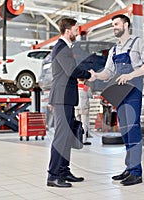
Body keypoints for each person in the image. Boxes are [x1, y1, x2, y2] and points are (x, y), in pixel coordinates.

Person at [89, 14, 144, 186]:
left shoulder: (139, 43)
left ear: (126, 24)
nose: (114, 27)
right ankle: (129, 168)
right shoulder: (114, 49)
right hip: (120, 94)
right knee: (125, 132)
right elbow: (108, 73)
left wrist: (130, 75)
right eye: (113, 25)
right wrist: (96, 75)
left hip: (133, 91)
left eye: (116, 24)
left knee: (133, 130)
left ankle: (136, 172)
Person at [47, 17, 92, 188]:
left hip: (66, 98)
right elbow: (71, 70)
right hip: (61, 98)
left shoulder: (64, 47)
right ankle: (53, 175)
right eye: (75, 29)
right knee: (61, 137)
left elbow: (68, 72)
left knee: (67, 136)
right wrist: (89, 74)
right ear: (68, 30)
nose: (77, 32)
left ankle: (64, 171)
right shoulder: (62, 47)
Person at [75, 78, 92, 145]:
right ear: (85, 80)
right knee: (84, 124)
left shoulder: (75, 87)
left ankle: (77, 139)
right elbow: (90, 96)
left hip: (76, 108)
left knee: (77, 124)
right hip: (84, 108)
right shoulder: (86, 88)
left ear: (77, 79)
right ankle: (84, 140)